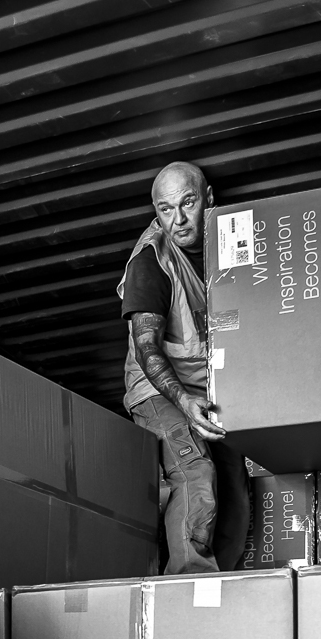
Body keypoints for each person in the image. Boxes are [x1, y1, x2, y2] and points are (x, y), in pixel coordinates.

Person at [117, 161, 250, 574]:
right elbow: (146, 348)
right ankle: (188, 589)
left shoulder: (237, 237)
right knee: (195, 470)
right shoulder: (151, 261)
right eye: (164, 209)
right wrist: (183, 401)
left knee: (235, 490)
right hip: (158, 391)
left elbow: (298, 268)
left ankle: (221, 587)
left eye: (187, 203)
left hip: (209, 392)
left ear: (208, 200)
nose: (177, 220)